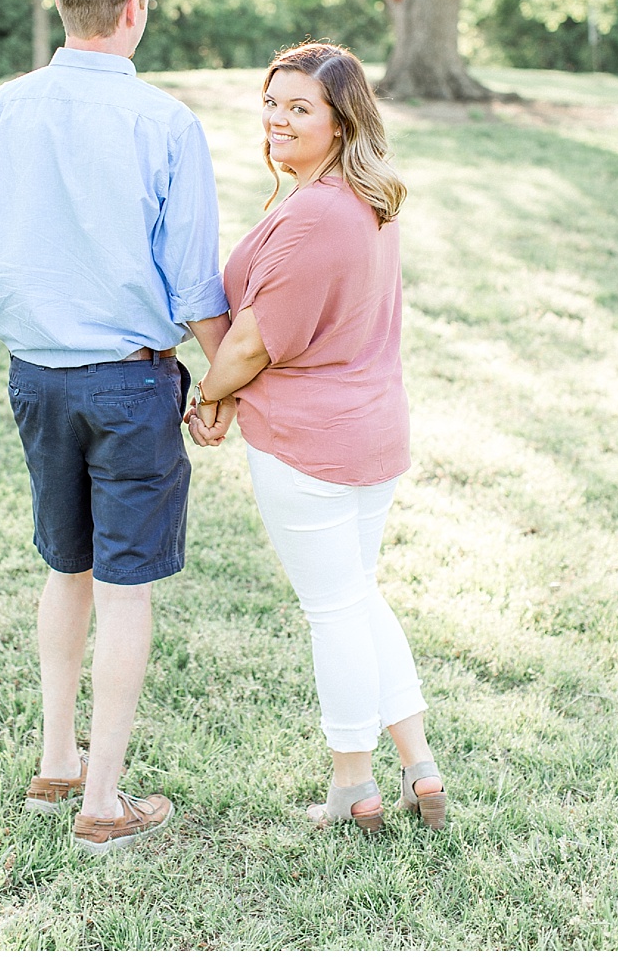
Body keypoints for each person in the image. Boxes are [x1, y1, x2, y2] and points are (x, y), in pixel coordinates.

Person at [0, 0, 234, 856]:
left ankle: (57, 758)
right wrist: (223, 381)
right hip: (131, 384)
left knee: (64, 570)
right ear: (135, 9)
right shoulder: (166, 123)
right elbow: (194, 287)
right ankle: (103, 800)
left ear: (66, 6)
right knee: (125, 591)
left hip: (35, 382)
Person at [187, 42, 446, 833]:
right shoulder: (367, 199)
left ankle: (351, 783)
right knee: (359, 598)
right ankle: (421, 768)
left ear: (339, 122)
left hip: (310, 446)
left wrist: (209, 398)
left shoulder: (314, 216)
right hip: (371, 436)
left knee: (333, 610)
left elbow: (251, 345)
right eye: (271, 101)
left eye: (299, 108)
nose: (277, 119)